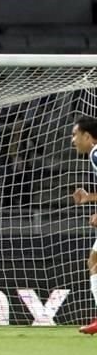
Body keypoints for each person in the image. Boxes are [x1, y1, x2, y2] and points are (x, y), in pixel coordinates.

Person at [69, 116, 97, 335]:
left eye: (75, 134)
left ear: (87, 136)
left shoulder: (96, 154)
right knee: (94, 259)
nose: (72, 140)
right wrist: (89, 198)